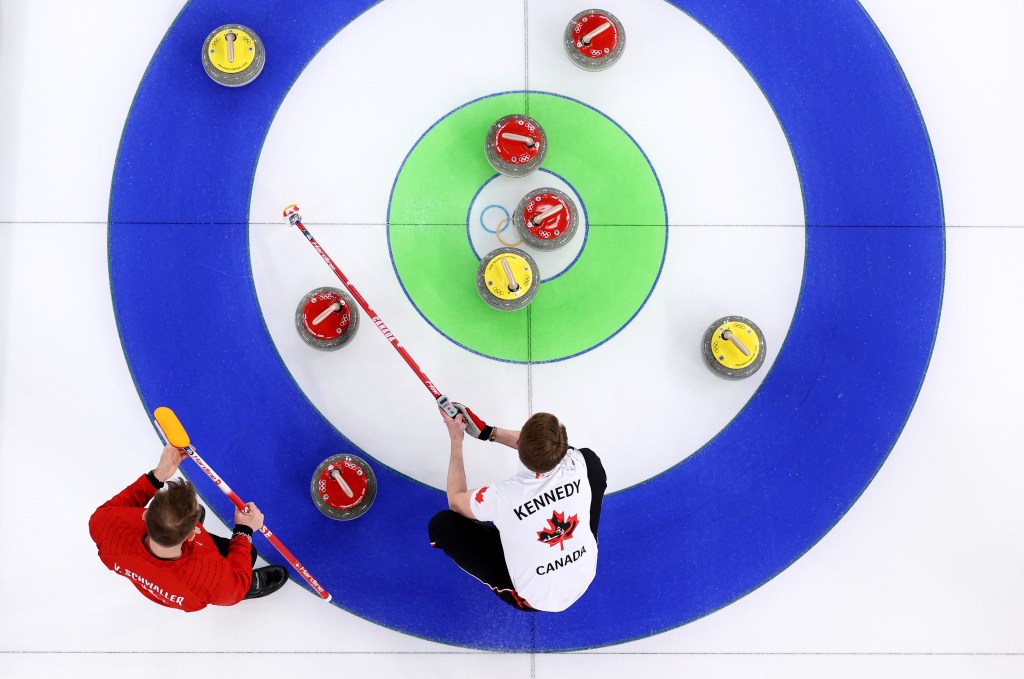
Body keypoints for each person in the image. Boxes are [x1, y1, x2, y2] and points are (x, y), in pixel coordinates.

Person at [429, 404, 607, 612]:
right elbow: (551, 446)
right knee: (593, 466)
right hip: (584, 574)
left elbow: (455, 500)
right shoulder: (579, 462)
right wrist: (487, 432)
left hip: (537, 599)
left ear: (519, 443)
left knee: (442, 525)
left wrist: (456, 439)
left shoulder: (500, 496)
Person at [89, 443, 288, 611]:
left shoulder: (104, 524)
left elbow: (117, 506)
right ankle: (248, 584)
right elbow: (232, 592)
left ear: (146, 513)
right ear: (193, 533)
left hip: (157, 577)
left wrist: (157, 476)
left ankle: (178, 524)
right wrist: (244, 530)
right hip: (211, 584)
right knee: (247, 554)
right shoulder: (212, 579)